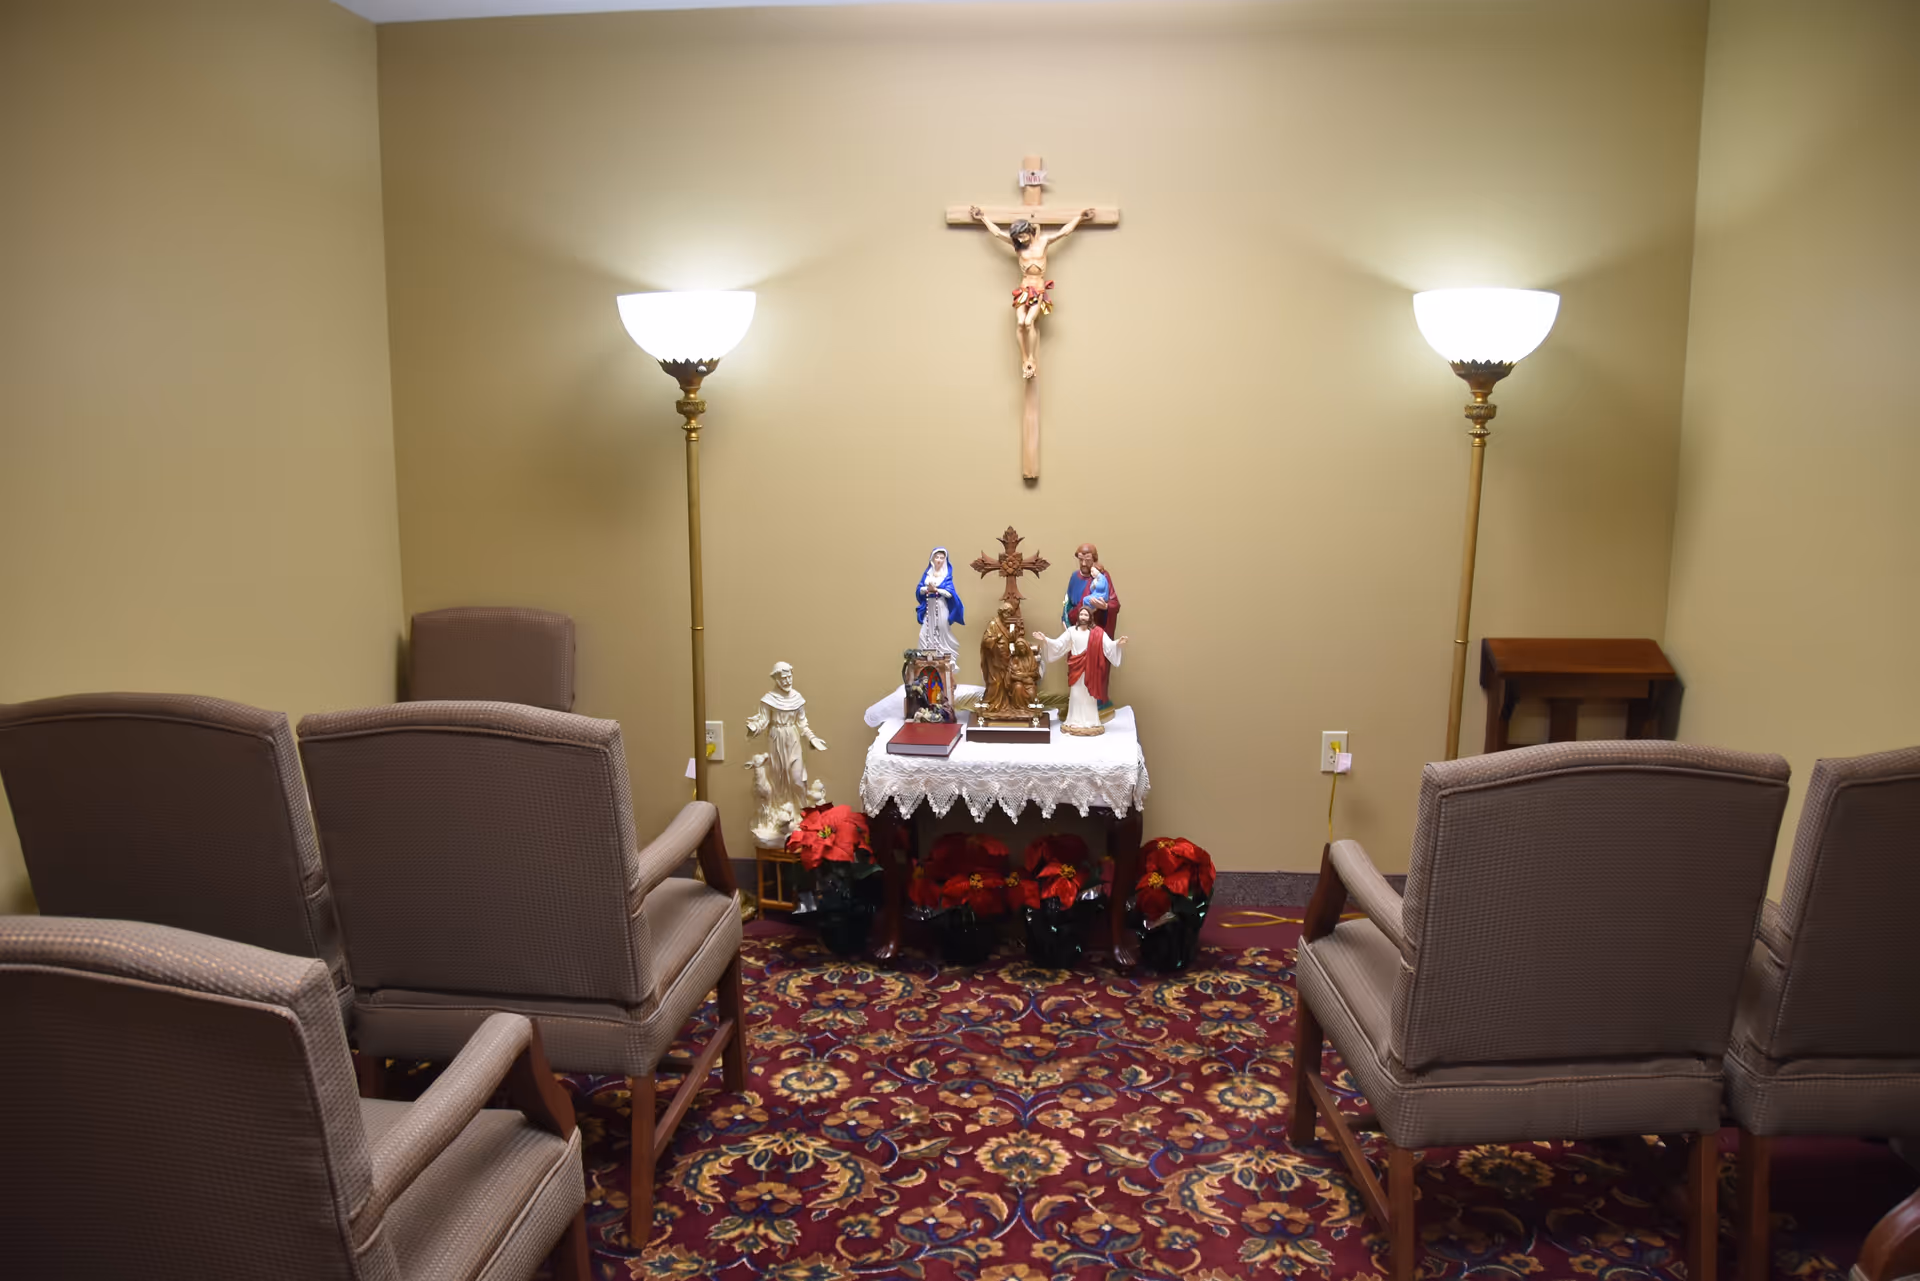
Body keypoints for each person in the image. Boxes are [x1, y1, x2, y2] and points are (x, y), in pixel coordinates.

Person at [969, 204, 1097, 379]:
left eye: (1022, 235)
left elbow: (1064, 232)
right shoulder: (1017, 246)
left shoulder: (1043, 242)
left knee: (1029, 322)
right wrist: (982, 217)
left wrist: (1081, 218)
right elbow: (998, 233)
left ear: (1029, 231)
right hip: (1023, 289)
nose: (1020, 240)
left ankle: (1031, 357)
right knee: (1020, 322)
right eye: (1018, 238)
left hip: (1038, 290)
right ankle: (1024, 359)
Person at [745, 662, 827, 830]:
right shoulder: (769, 700)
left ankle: (803, 812)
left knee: (797, 778)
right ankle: (783, 815)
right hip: (776, 739)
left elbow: (802, 723)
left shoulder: (797, 698)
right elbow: (764, 720)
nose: (788, 681)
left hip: (793, 739)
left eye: (790, 677)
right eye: (783, 678)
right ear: (776, 679)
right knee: (778, 779)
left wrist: (812, 738)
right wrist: (754, 727)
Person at [1034, 606, 1128, 736]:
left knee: (1089, 696)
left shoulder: (1097, 632)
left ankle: (1091, 721)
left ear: (1090, 617)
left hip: (1091, 670)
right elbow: (1059, 644)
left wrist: (1117, 643)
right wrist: (1045, 639)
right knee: (1077, 695)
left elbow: (1108, 645)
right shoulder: (1071, 631)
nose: (1083, 617)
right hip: (1077, 669)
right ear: (1078, 617)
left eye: (1086, 615)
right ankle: (1074, 720)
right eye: (1082, 615)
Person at [1061, 543, 1119, 709]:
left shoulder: (1102, 575)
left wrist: (1105, 607)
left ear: (1094, 558)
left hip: (1096, 631)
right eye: (1081, 559)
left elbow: (1115, 603)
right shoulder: (1074, 577)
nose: (1084, 564)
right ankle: (1078, 702)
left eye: (1088, 559)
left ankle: (1098, 700)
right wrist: (1067, 618)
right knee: (1077, 668)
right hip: (1078, 627)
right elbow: (1068, 603)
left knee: (1096, 666)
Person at [914, 547, 965, 674]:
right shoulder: (928, 574)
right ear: (932, 559)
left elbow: (949, 593)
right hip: (929, 606)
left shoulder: (946, 576)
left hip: (940, 606)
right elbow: (919, 589)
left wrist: (937, 590)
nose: (939, 560)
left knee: (942, 629)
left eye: (942, 557)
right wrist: (927, 589)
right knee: (924, 633)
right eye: (937, 557)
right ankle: (927, 657)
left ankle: (947, 656)